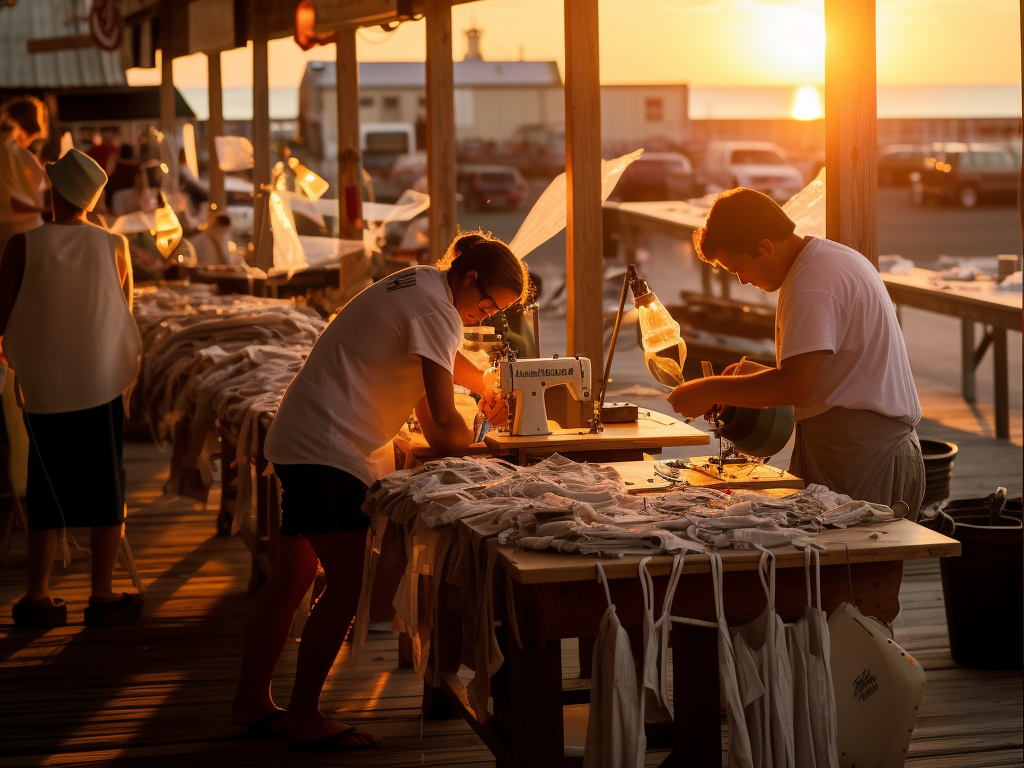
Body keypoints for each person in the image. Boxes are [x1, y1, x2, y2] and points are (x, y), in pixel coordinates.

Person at [231, 231, 526, 751]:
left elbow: (433, 368)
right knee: (347, 585)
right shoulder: (438, 312)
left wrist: (482, 387)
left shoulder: (420, 286)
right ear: (472, 277)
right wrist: (488, 435)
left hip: (305, 438)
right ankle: (302, 714)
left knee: (290, 579)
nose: (486, 315)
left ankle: (251, 702)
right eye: (487, 304)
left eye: (496, 312)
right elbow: (441, 424)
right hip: (325, 450)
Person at [668, 188, 925, 519]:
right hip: (854, 447)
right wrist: (749, 376)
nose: (742, 281)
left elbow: (795, 387)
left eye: (740, 268)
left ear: (765, 246)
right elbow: (830, 374)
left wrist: (710, 388)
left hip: (864, 455)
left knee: (851, 568)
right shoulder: (825, 261)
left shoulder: (812, 281)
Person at [0, 149, 145, 629]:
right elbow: (121, 313)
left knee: (46, 482)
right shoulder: (115, 247)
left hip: (43, 384)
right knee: (107, 483)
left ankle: (37, 596)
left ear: (54, 191)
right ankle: (101, 593)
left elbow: (1, 319)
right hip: (100, 381)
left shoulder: (22, 245)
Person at [0, 96, 49, 258]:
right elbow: (10, 202)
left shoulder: (13, 149)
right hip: (17, 230)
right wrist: (49, 209)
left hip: (25, 228)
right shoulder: (6, 150)